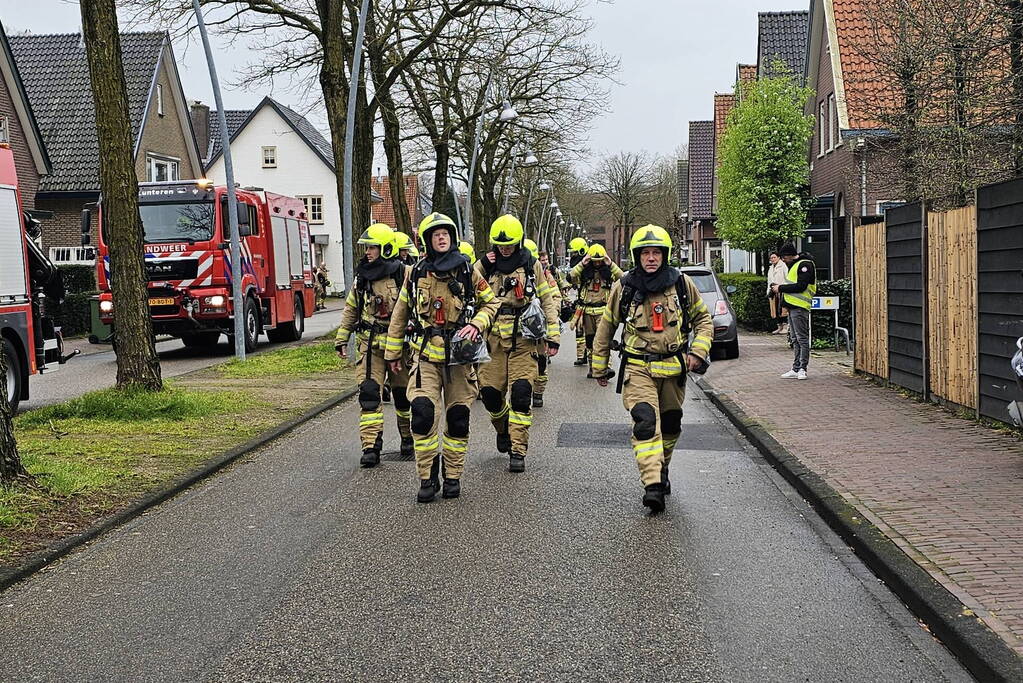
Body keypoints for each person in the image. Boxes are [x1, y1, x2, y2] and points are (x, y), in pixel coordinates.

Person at [591, 225, 714, 513]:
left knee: (671, 424)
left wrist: (698, 351)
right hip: (638, 367)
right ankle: (653, 484)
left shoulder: (682, 284)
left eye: (656, 252)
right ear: (637, 256)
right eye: (645, 253)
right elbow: (606, 326)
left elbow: (704, 321)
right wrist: (600, 366)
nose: (650, 258)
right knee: (645, 421)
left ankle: (663, 467)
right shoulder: (625, 287)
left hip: (674, 368)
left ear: (664, 255)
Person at [385, 213, 499, 502]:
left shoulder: (467, 271)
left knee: (458, 418)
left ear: (453, 236)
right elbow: (400, 313)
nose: (441, 237)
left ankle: (452, 475)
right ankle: (427, 477)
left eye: (445, 232)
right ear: (427, 240)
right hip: (425, 358)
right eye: (435, 234)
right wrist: (393, 352)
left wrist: (477, 324)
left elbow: (491, 302)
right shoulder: (416, 273)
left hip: (460, 361)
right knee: (422, 415)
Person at [475, 220, 560, 473]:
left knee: (522, 393)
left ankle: (518, 449)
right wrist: (482, 263)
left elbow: (546, 298)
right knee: (490, 395)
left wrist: (553, 335)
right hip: (493, 340)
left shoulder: (531, 264)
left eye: (509, 244)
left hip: (525, 338)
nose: (505, 249)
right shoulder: (486, 265)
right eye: (500, 245)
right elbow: (463, 281)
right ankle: (502, 429)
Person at [335, 223, 413, 467]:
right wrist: (342, 337)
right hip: (370, 346)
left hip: (399, 347)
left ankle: (408, 437)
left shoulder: (405, 274)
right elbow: (351, 309)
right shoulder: (362, 278)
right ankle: (371, 447)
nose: (367, 252)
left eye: (372, 247)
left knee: (402, 397)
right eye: (367, 247)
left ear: (386, 249)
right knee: (369, 394)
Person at [569, 243, 623, 378]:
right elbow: (570, 277)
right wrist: (583, 263)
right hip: (587, 311)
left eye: (600, 261)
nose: (598, 263)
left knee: (603, 340)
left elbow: (623, 278)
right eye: (595, 261)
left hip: (603, 311)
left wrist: (610, 263)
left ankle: (607, 367)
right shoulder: (584, 272)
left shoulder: (608, 272)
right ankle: (593, 368)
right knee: (589, 340)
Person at [770, 244, 816, 380]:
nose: (783, 260)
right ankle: (796, 368)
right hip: (792, 307)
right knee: (795, 339)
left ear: (790, 255)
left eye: (784, 257)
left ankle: (802, 369)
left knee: (802, 339)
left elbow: (801, 286)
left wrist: (781, 288)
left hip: (800, 307)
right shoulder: (795, 265)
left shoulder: (805, 265)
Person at [533, 247, 564, 408]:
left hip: (540, 325)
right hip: (518, 329)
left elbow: (555, 296)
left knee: (541, 361)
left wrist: (551, 312)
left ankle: (538, 392)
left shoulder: (546, 275)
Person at [566, 237, 589, 366]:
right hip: (581, 304)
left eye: (574, 253)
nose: (572, 256)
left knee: (592, 334)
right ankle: (581, 356)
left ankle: (595, 359)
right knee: (579, 332)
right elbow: (570, 279)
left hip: (593, 304)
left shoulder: (591, 267)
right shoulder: (579, 267)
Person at [766, 251, 789, 335]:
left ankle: (785, 327)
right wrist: (768, 291)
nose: (772, 259)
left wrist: (783, 287)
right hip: (773, 291)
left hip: (781, 290)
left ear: (779, 257)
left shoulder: (783, 266)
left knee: (782, 309)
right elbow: (769, 281)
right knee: (774, 310)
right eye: (771, 258)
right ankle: (779, 327)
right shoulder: (771, 267)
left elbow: (787, 278)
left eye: (774, 257)